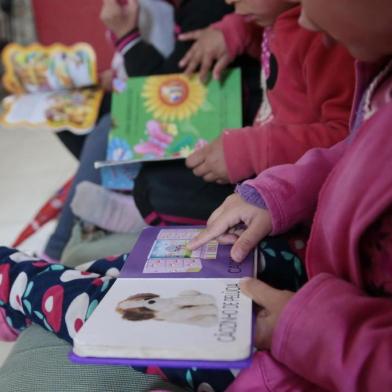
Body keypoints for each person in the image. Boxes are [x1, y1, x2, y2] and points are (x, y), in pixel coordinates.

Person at [1, 0, 391, 390]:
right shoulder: (365, 66)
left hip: (307, 343)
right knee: (142, 255)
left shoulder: (324, 43)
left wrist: (305, 329)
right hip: (311, 269)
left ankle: (17, 285)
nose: (304, 15)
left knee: (123, 295)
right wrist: (277, 194)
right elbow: (352, 152)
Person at [43, 0, 242, 262]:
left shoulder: (206, 8)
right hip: (214, 122)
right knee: (74, 119)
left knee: (109, 129)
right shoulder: (182, 10)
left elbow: (170, 89)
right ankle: (124, 198)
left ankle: (63, 247)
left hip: (222, 137)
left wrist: (127, 36)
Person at [184, 0, 355, 186]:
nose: (229, 1)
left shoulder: (327, 44)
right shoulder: (277, 16)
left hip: (295, 185)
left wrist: (253, 151)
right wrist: (237, 30)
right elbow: (281, 59)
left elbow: (347, 137)